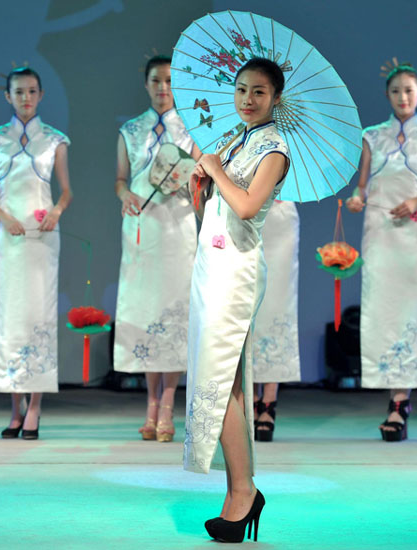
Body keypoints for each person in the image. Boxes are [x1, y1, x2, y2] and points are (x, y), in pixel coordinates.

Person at [184, 57, 289, 543]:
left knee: (221, 380)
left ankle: (242, 492)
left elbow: (247, 207)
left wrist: (213, 169)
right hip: (213, 264)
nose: (248, 99)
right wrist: (199, 191)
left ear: (276, 98)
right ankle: (239, 490)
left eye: (260, 92)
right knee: (226, 384)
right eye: (242, 89)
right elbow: (219, 211)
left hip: (237, 271)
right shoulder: (237, 140)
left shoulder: (274, 148)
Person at [346, 64, 417, 441]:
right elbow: (362, 186)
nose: (403, 98)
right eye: (395, 92)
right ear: (387, 96)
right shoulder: (371, 136)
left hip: (415, 234)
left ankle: (400, 402)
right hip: (380, 232)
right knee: (382, 311)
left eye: (409, 91)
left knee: (412, 311)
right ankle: (395, 397)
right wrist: (357, 200)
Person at [0, 67, 72, 440]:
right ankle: (14, 409)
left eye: (32, 91)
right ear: (8, 96)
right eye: (19, 92)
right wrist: (6, 219)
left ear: (41, 94)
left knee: (39, 315)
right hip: (7, 236)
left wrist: (56, 212)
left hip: (42, 235)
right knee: (9, 316)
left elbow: (66, 191)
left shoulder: (55, 140)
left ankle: (34, 408)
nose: (26, 98)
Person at [113, 55, 200, 443]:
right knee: (147, 313)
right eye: (155, 81)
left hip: (177, 229)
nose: (162, 88)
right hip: (142, 230)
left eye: (168, 80)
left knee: (174, 316)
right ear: (145, 83)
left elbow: (202, 183)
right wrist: (125, 194)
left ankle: (168, 408)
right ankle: (150, 405)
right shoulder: (131, 131)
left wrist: (187, 182)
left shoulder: (193, 131)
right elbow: (119, 179)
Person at [251, 201, 301, 442]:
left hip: (280, 217)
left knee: (277, 303)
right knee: (249, 305)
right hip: (246, 213)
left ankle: (269, 400)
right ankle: (249, 398)